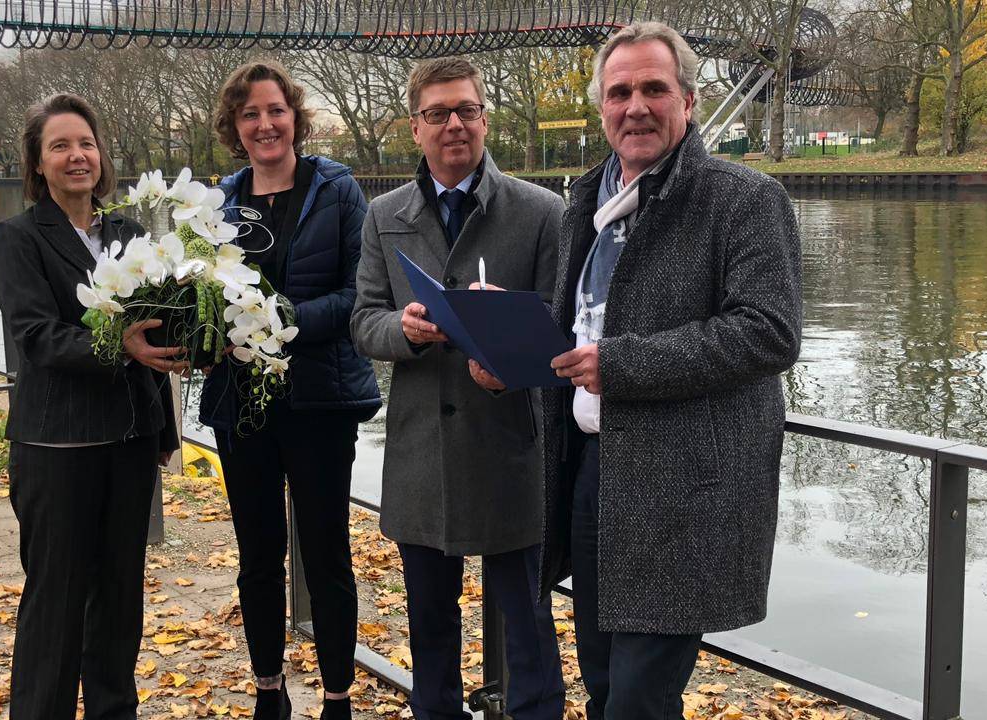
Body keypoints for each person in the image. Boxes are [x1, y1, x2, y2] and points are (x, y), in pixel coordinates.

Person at [534, 22, 803, 719]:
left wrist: (622, 364)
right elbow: (579, 326)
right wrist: (510, 352)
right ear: (602, 108)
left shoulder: (742, 198)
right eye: (619, 92)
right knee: (603, 685)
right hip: (592, 470)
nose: (636, 107)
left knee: (638, 700)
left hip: (684, 487)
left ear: (688, 100)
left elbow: (769, 332)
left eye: (654, 89)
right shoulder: (585, 200)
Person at [351, 57, 566, 720]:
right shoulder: (383, 214)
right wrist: (405, 329)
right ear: (414, 127)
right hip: (423, 452)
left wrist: (510, 345)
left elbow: (563, 327)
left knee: (529, 624)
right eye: (437, 113)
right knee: (430, 627)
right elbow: (363, 319)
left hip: (510, 446)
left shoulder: (541, 211)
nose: (454, 125)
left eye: (466, 110)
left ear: (484, 119)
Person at [0, 93, 183, 720]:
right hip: (59, 447)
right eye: (60, 146)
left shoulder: (130, 234)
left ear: (101, 156)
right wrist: (117, 345)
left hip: (129, 443)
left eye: (87, 144)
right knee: (57, 603)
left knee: (120, 600)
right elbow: (36, 336)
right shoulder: (18, 238)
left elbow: (153, 326)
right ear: (37, 162)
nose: (77, 156)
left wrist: (167, 421)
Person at [201, 60, 381, 720]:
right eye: (249, 113)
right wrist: (203, 332)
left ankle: (337, 698)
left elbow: (360, 294)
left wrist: (280, 321)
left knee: (327, 554)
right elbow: (201, 297)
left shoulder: (338, 191)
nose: (264, 123)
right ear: (235, 126)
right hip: (241, 403)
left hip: (320, 400)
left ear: (295, 117)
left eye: (275, 110)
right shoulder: (218, 203)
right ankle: (269, 690)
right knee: (257, 557)